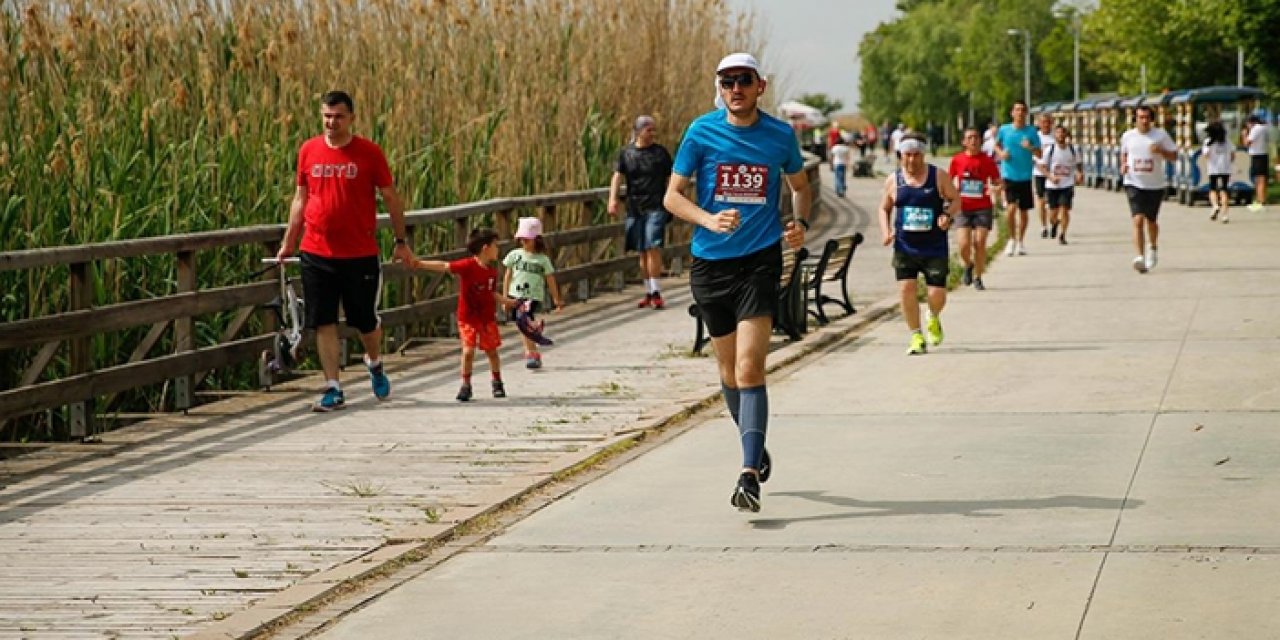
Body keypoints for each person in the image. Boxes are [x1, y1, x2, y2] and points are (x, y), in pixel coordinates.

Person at [663, 52, 810, 513]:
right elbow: (672, 196)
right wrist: (708, 218)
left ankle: (748, 476)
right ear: (720, 88)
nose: (736, 89)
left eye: (743, 81)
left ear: (760, 86)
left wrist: (798, 222)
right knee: (727, 373)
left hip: (760, 262)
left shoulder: (779, 135)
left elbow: (800, 187)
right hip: (710, 265)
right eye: (727, 82)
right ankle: (754, 441)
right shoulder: (701, 132)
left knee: (749, 369)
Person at [276, 90, 416, 413]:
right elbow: (300, 198)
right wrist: (289, 241)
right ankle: (333, 387)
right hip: (316, 250)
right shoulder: (308, 151)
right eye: (326, 116)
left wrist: (400, 240)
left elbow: (391, 198)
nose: (331, 122)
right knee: (323, 320)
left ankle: (375, 362)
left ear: (351, 118)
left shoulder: (368, 153)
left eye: (338, 116)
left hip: (359, 252)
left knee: (365, 321)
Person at [412, 229, 518, 401]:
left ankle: (497, 381)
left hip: (486, 318)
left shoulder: (491, 271)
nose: (497, 249)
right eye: (495, 246)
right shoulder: (468, 266)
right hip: (468, 317)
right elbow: (445, 266)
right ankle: (466, 385)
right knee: (468, 351)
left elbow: (491, 292)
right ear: (485, 248)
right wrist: (421, 264)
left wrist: (507, 301)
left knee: (492, 351)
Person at [878, 133, 960, 355]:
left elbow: (955, 199)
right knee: (906, 289)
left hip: (934, 245)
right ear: (900, 155)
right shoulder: (893, 180)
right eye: (907, 155)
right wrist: (886, 231)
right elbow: (884, 208)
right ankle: (916, 335)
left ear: (923, 154)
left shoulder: (938, 176)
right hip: (905, 246)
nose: (912, 160)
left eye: (916, 155)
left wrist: (947, 215)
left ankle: (933, 316)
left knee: (937, 295)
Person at [609, 115, 674, 309]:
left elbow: (671, 177)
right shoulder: (626, 153)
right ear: (638, 131)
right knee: (641, 250)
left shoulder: (660, 153)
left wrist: (672, 199)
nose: (653, 133)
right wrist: (612, 199)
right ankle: (648, 290)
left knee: (652, 246)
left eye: (654, 130)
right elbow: (617, 177)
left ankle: (655, 291)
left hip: (656, 204)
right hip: (635, 205)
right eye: (649, 130)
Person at [1120, 105, 1178, 273]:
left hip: (1155, 184)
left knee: (1151, 221)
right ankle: (1139, 256)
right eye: (1140, 117)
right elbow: (1124, 153)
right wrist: (1123, 164)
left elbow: (1174, 156)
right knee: (1137, 219)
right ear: (1135, 119)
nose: (1144, 121)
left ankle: (1152, 247)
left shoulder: (1160, 136)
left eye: (1146, 117)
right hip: (1133, 182)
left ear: (1151, 119)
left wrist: (1160, 151)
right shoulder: (1128, 136)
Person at [502, 217, 564, 369]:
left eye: (527, 240)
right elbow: (507, 276)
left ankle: (531, 353)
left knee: (522, 319)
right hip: (515, 294)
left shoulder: (542, 260)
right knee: (521, 322)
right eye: (521, 239)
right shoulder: (514, 255)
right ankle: (532, 340)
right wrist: (505, 298)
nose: (523, 242)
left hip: (532, 296)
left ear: (536, 239)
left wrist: (557, 299)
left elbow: (550, 279)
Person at [949, 127, 1002, 291]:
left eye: (976, 137)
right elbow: (948, 181)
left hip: (982, 207)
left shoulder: (987, 161)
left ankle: (978, 277)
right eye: (969, 137)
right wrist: (950, 196)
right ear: (964, 142)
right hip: (963, 207)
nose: (973, 140)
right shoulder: (957, 160)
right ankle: (968, 265)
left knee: (980, 243)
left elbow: (998, 181)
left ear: (981, 140)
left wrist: (995, 189)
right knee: (964, 244)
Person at [995, 100, 1042, 257]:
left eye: (1023, 110)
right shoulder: (1004, 129)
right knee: (1010, 209)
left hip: (1025, 176)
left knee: (1023, 211)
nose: (1020, 113)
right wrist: (1001, 154)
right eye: (1017, 110)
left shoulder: (1031, 132)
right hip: (1009, 174)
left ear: (1026, 113)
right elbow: (996, 145)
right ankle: (1011, 239)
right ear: (1012, 113)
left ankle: (1020, 241)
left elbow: (1039, 154)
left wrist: (1030, 147)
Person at [1038, 125, 1083, 245]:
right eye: (1058, 133)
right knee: (1052, 214)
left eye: (1063, 133)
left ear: (1066, 135)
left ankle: (1062, 234)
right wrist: (1050, 177)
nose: (1061, 135)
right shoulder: (1050, 150)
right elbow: (1041, 166)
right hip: (1052, 186)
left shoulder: (1073, 149)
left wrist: (1079, 173)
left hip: (1067, 184)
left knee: (1065, 209)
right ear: (1055, 135)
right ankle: (1055, 223)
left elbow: (1079, 163)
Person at [1202, 121, 1234, 223]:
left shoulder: (1208, 142)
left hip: (1213, 168)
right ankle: (1225, 215)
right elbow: (1233, 155)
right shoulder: (1227, 142)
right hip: (1225, 168)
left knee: (1212, 189)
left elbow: (1206, 155)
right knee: (1224, 190)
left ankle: (1215, 205)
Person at [1031, 113, 1056, 238]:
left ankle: (1053, 222)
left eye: (1048, 122)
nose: (1046, 125)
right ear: (1039, 124)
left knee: (1052, 201)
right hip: (1039, 172)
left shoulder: (1055, 137)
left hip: (1053, 173)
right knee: (1040, 200)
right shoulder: (1036, 137)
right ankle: (1043, 226)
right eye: (1043, 122)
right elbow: (1033, 156)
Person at [1244, 115, 1270, 211]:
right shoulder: (1264, 128)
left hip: (1257, 155)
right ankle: (1261, 199)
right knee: (1262, 178)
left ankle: (1260, 201)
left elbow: (1247, 142)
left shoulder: (1255, 129)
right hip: (1263, 154)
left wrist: (1244, 135)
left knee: (1259, 179)